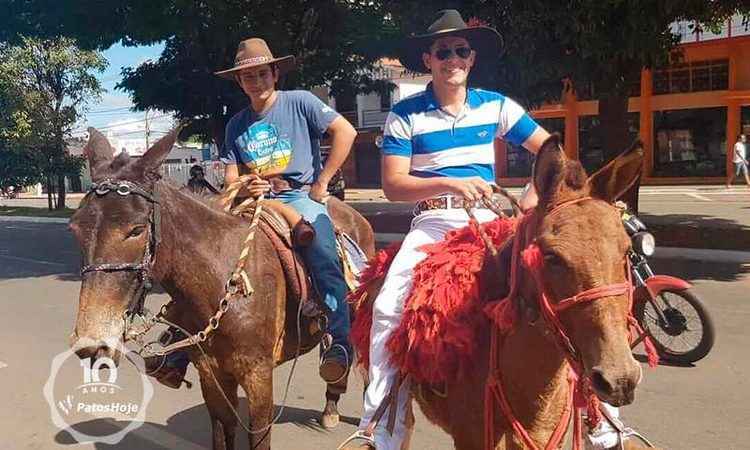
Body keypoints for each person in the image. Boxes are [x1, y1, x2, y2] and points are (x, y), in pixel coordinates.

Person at [349, 10, 650, 450]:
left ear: (471, 59)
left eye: (461, 50)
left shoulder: (497, 105)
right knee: (389, 306)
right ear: (428, 59)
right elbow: (394, 185)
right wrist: (449, 182)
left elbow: (552, 154)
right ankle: (382, 426)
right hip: (434, 221)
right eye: (443, 51)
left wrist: (536, 195)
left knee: (567, 292)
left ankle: (606, 419)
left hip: (493, 219)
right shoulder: (404, 114)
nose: (453, 58)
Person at [215, 37, 358, 387]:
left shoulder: (301, 102)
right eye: (248, 77)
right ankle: (184, 342)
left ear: (275, 73)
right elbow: (231, 179)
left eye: (262, 73)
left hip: (297, 197)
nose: (256, 82)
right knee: (209, 249)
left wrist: (322, 181)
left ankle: (338, 342)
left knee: (322, 249)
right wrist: (245, 185)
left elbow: (346, 131)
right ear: (239, 82)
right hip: (251, 202)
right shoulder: (236, 124)